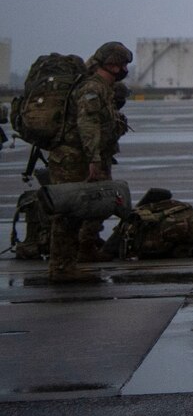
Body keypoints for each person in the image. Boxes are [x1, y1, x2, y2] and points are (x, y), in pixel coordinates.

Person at [43, 41, 129, 282]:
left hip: (85, 157)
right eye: (122, 64)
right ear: (112, 64)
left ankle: (71, 260)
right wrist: (93, 158)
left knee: (83, 210)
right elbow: (87, 124)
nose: (124, 69)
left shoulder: (103, 87)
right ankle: (61, 268)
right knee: (67, 213)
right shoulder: (93, 88)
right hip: (73, 159)